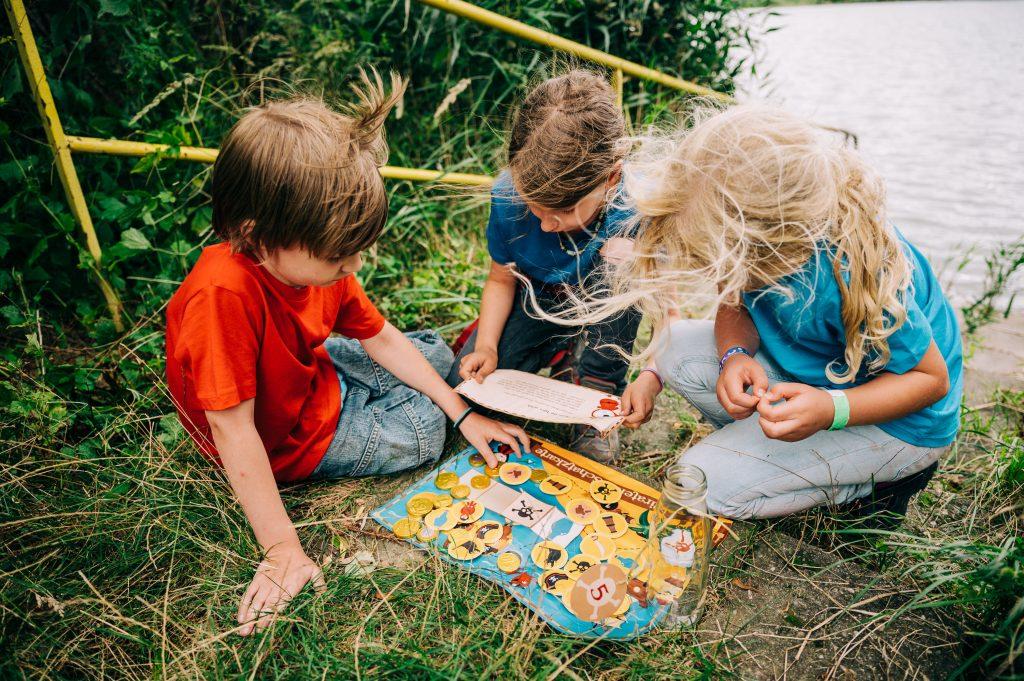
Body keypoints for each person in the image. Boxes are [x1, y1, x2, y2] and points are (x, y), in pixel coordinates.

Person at [165, 70, 528, 635]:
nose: (354, 267)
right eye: (340, 256)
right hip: (287, 439)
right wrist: (283, 548)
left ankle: (427, 388)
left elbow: (378, 334)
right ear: (258, 234)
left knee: (427, 356)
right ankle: (410, 400)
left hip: (315, 372)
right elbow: (233, 431)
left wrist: (467, 413)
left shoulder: (313, 263)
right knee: (421, 430)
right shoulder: (222, 296)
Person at [562, 103, 962, 523]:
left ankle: (866, 486)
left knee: (701, 484)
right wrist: (734, 354)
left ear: (773, 242)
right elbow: (733, 305)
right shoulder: (745, 239)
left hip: (900, 421)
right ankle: (774, 452)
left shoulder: (854, 268)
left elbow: (931, 380)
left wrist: (831, 410)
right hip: (820, 377)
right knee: (675, 348)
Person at [446, 69, 663, 463]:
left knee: (622, 261)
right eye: (534, 205)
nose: (545, 224)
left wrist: (652, 375)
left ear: (611, 178)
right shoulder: (508, 193)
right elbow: (500, 279)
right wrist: (488, 347)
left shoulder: (638, 207)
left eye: (562, 210)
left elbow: (671, 310)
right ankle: (562, 354)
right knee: (462, 391)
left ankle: (598, 384)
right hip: (538, 300)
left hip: (603, 308)